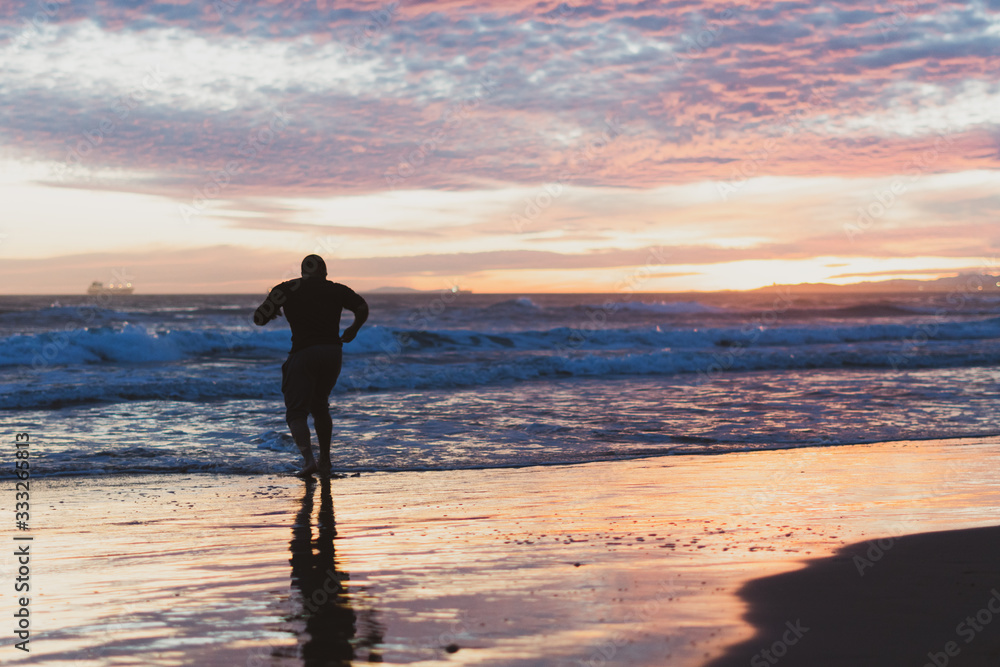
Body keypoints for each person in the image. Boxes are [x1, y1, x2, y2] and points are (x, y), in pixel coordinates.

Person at [254, 254, 368, 477]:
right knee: (320, 407)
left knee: (296, 412)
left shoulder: (287, 289)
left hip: (304, 352)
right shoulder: (337, 289)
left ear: (303, 271)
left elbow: (259, 319)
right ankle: (325, 461)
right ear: (324, 272)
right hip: (332, 353)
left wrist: (274, 305)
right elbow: (362, 307)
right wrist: (353, 329)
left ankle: (308, 461)